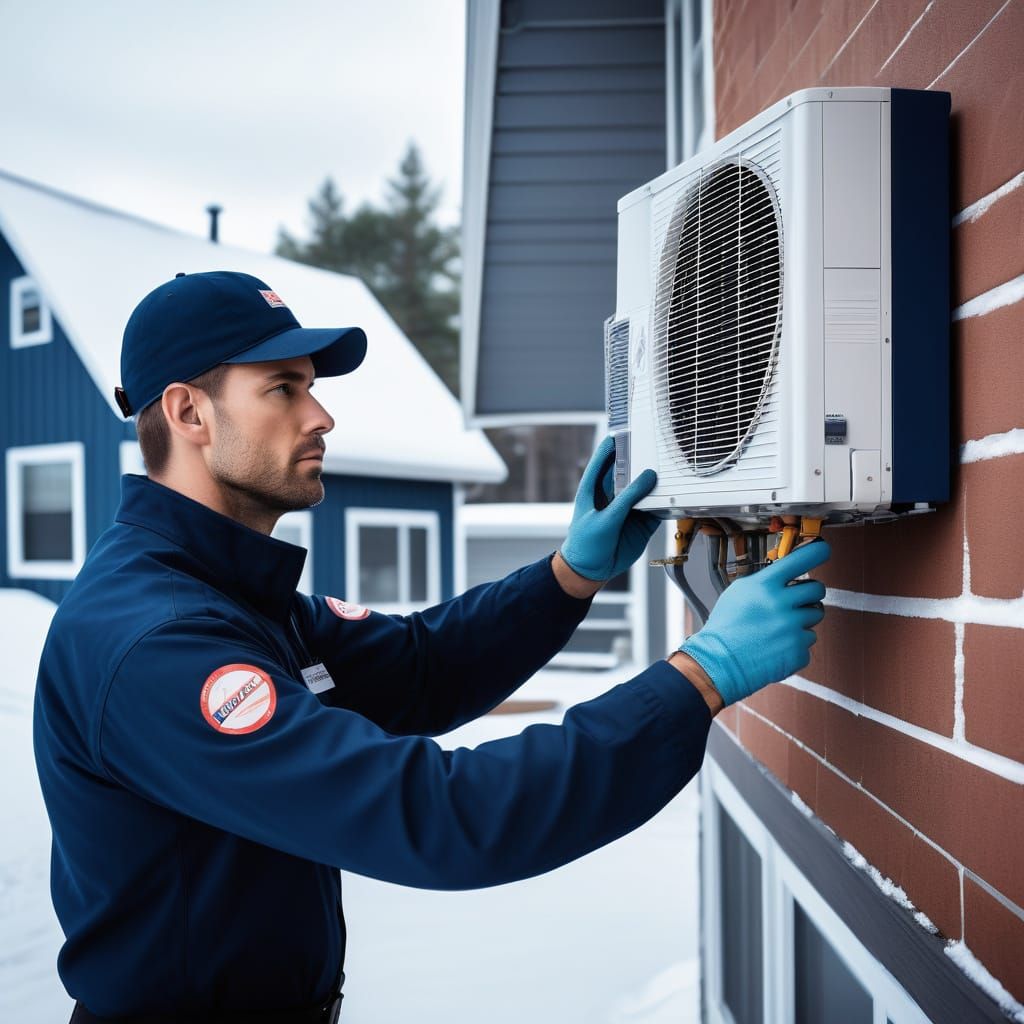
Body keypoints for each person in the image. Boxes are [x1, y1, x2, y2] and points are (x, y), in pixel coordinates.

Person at [33, 271, 829, 1022]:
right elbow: (443, 817)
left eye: (312, 387)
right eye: (284, 388)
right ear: (189, 413)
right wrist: (700, 676)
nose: (321, 417)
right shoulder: (160, 641)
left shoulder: (232, 596)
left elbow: (418, 667)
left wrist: (567, 576)